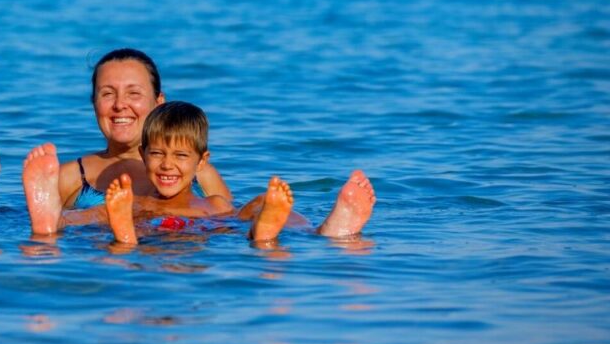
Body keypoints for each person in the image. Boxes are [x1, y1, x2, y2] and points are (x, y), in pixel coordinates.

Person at [24, 101, 376, 245]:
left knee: (257, 205)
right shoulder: (136, 202)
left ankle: (323, 228)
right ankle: (51, 220)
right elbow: (87, 217)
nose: (167, 165)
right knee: (109, 214)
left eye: (180, 156)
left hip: (202, 226)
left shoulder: (215, 203)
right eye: (158, 154)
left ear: (201, 162)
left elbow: (228, 216)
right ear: (143, 155)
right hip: (158, 225)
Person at [56, 48, 232, 209]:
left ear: (159, 102)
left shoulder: (199, 173)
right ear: (94, 103)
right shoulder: (69, 178)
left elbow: (231, 225)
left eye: (134, 93)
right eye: (107, 94)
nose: (120, 105)